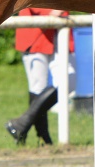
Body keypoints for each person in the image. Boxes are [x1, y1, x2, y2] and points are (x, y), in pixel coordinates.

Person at [5, 8, 73, 145]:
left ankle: (21, 124)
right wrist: (48, 11)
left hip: (60, 28)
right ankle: (44, 139)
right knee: (37, 88)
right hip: (35, 31)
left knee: (69, 80)